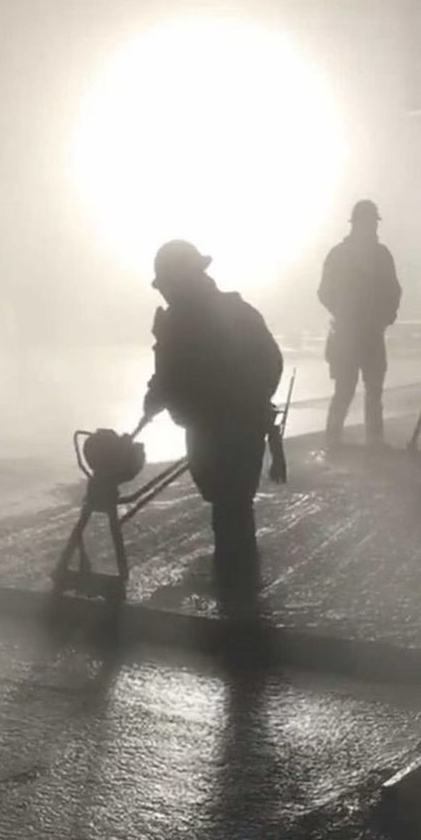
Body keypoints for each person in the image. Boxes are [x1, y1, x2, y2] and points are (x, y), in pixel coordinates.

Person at [141, 240, 283, 589]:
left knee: (230, 505)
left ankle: (238, 592)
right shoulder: (183, 318)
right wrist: (157, 396)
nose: (166, 292)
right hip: (211, 425)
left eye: (169, 283)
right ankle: (238, 587)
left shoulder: (223, 315)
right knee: (226, 503)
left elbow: (268, 363)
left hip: (233, 425)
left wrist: (245, 404)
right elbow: (169, 371)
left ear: (185, 278)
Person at [318, 199, 401, 450]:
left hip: (363, 332)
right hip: (351, 332)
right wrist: (348, 313)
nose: (372, 228)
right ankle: (338, 439)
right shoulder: (348, 255)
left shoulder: (371, 254)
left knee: (368, 389)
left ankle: (363, 439)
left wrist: (385, 315)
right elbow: (325, 292)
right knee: (350, 388)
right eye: (370, 223)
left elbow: (394, 291)